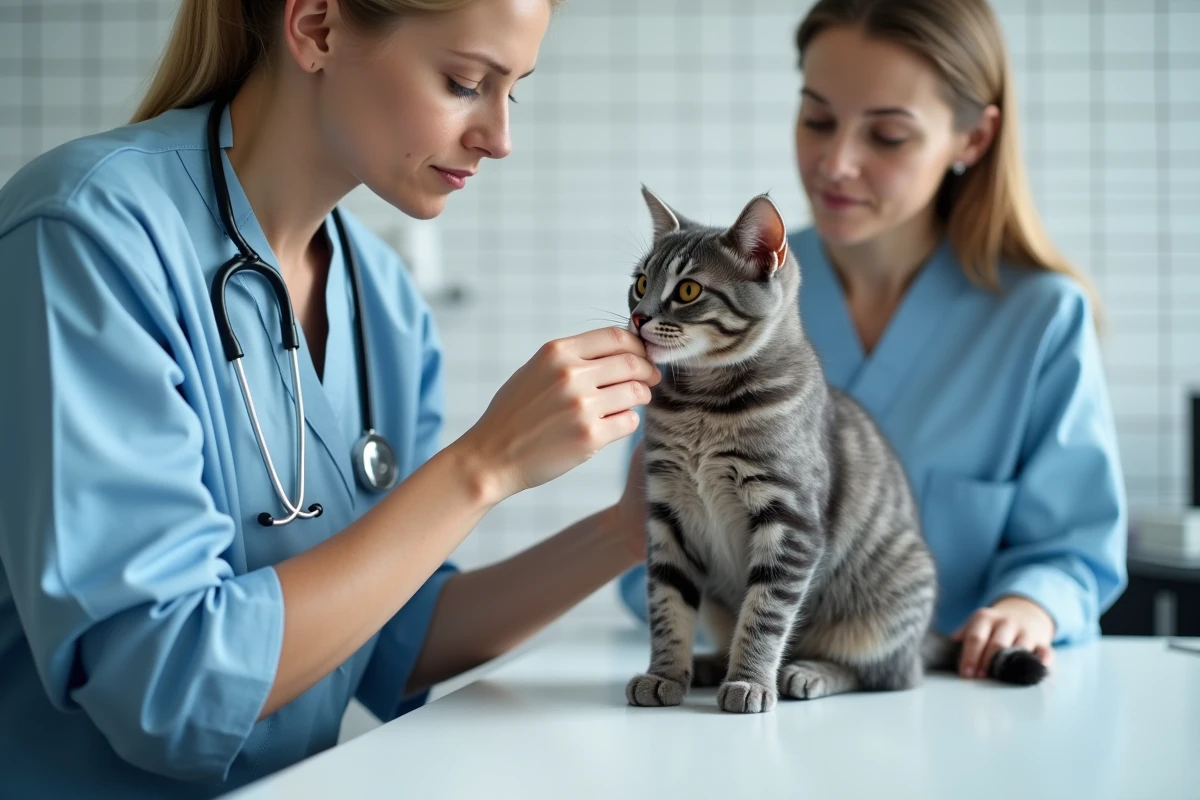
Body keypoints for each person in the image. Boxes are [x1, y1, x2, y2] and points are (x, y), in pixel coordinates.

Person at [0, 0, 657, 795]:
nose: (499, 137)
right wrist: (484, 466)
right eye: (464, 82)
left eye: (511, 91)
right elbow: (163, 688)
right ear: (317, 29)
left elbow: (388, 636)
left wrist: (629, 531)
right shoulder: (85, 236)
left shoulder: (383, 299)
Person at [619, 0, 1128, 680]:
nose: (835, 163)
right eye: (817, 119)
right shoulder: (722, 291)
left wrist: (1028, 605)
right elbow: (643, 543)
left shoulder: (1041, 317)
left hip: (947, 699)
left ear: (972, 140)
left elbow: (1076, 552)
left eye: (887, 136)